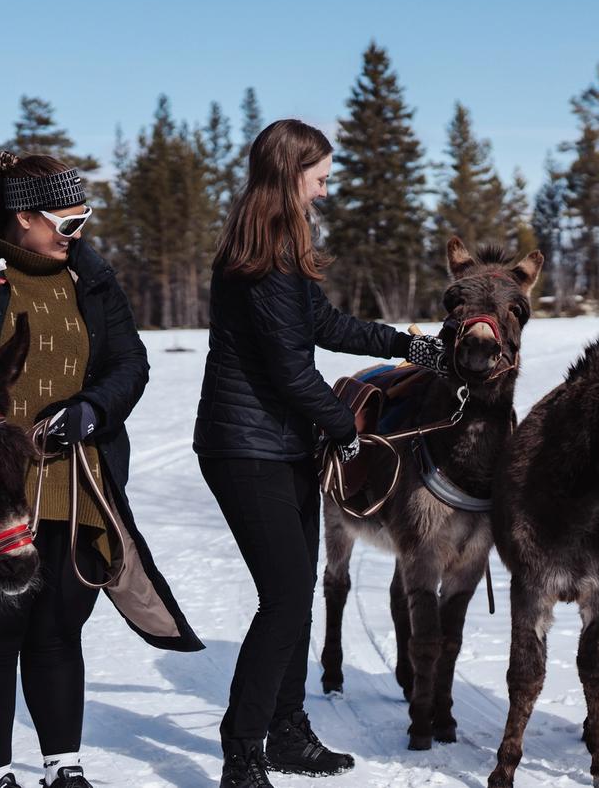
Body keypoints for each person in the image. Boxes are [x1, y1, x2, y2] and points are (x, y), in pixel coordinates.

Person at [0, 151, 202, 788]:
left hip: (74, 482)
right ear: (23, 217)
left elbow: (131, 364)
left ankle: (63, 767)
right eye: (66, 224)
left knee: (57, 629)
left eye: (84, 222)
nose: (77, 236)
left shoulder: (90, 277)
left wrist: (93, 409)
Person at [193, 119, 446, 788]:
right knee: (282, 598)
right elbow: (286, 368)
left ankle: (286, 731)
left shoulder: (283, 245)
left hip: (276, 444)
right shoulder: (265, 253)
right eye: (321, 178)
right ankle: (243, 751)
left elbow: (325, 327)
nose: (326, 191)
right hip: (243, 446)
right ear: (290, 173)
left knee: (296, 596)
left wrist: (407, 346)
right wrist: (343, 425)